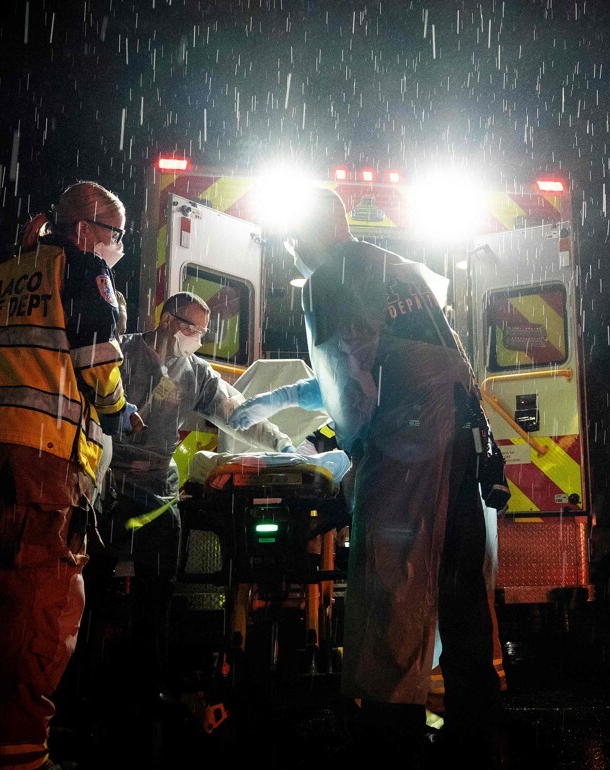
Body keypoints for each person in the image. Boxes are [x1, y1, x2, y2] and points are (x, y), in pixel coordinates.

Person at [231, 186, 504, 767]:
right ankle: (477, 726)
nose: (293, 252)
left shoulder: (330, 276)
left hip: (408, 444)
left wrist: (358, 461)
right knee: (460, 587)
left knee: (391, 582)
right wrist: (271, 401)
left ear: (310, 234)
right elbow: (370, 364)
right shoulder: (399, 268)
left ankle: (389, 732)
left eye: (292, 242)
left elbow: (351, 386)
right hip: (460, 434)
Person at [0, 180, 136, 770]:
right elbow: (99, 361)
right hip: (37, 464)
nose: (116, 247)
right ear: (83, 230)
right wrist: (119, 411)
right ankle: (18, 754)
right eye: (114, 234)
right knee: (36, 607)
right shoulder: (81, 270)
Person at [82, 290, 299, 744]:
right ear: (167, 321)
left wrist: (285, 447)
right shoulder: (121, 355)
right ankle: (83, 687)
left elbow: (239, 413)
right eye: (192, 328)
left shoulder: (195, 374)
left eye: (203, 331)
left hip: (158, 495)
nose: (198, 338)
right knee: (90, 590)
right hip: (109, 490)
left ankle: (147, 689)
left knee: (156, 598)